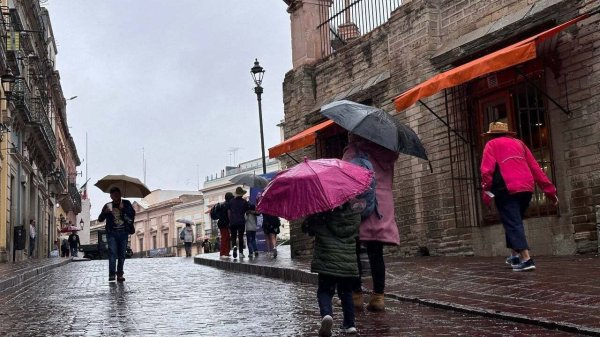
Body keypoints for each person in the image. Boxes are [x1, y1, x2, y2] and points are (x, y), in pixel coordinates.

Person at [480, 122, 558, 272]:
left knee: (513, 222)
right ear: (507, 133)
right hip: (526, 188)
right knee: (514, 220)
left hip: (506, 188)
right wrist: (550, 191)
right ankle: (514, 256)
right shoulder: (519, 143)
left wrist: (486, 191)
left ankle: (527, 259)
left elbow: (486, 171)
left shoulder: (491, 145)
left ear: (491, 134)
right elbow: (535, 167)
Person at [342, 133, 399, 312]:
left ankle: (356, 295)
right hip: (381, 206)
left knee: (354, 251)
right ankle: (378, 297)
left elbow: (343, 179)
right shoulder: (388, 152)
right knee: (376, 253)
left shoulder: (353, 151)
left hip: (359, 206)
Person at [302, 202, 361, 336]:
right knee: (346, 292)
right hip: (347, 261)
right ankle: (350, 324)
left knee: (325, 291)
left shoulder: (322, 213)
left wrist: (311, 215)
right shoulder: (354, 214)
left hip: (326, 261)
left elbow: (307, 229)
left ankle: (327, 314)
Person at [98, 186, 136, 282]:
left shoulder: (126, 203)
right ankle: (111, 274)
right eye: (113, 195)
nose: (116, 197)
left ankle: (119, 274)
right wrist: (105, 213)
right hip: (112, 233)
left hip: (123, 232)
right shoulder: (108, 205)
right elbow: (100, 219)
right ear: (111, 196)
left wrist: (123, 210)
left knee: (122, 255)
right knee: (112, 253)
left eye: (117, 195)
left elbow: (132, 216)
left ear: (120, 195)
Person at [228, 186, 249, 259]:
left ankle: (234, 246)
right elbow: (246, 211)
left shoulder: (231, 201)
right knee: (240, 237)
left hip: (233, 222)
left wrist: (230, 220)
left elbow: (229, 212)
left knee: (233, 236)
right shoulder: (244, 202)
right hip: (241, 222)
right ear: (242, 194)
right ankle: (240, 253)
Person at [217, 192, 234, 258]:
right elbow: (229, 214)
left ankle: (226, 252)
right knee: (225, 238)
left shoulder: (224, 204)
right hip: (224, 224)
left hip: (222, 223)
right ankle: (223, 253)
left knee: (227, 238)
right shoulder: (227, 204)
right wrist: (230, 222)